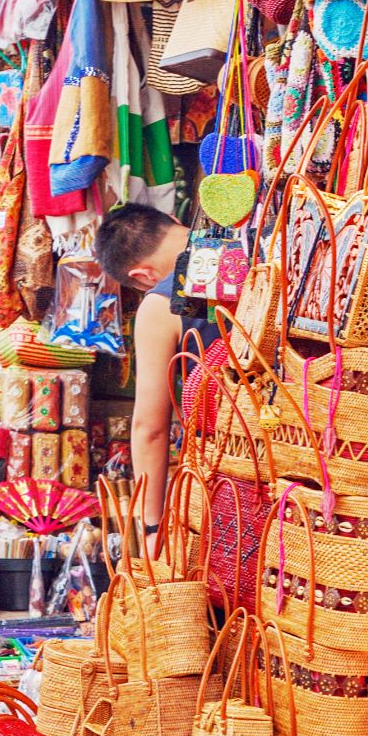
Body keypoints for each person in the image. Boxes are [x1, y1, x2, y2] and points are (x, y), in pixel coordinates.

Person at [96, 205, 215, 536]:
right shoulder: (256, 244)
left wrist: (152, 525)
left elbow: (150, 426)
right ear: (175, 222)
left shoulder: (165, 301)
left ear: (142, 276)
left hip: (240, 469)